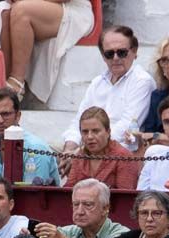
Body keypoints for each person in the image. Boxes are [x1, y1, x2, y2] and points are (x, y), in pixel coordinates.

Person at [60, 26, 154, 158]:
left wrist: (82, 151)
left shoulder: (142, 81)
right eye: (109, 54)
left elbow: (126, 126)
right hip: (90, 150)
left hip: (123, 155)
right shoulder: (97, 83)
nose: (115, 58)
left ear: (134, 51)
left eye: (121, 52)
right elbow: (78, 121)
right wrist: (69, 148)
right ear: (103, 56)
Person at [0, 0, 94, 104]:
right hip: (41, 5)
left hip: (73, 9)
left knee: (22, 11)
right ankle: (4, 83)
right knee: (3, 9)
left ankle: (17, 81)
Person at [0, 86, 58, 186]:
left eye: (5, 114)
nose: (0, 120)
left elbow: (35, 194)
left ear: (18, 116)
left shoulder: (36, 148)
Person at [34, 178, 129, 238]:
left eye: (88, 205)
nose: (80, 211)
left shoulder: (121, 233)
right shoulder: (66, 232)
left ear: (105, 208)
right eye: (76, 204)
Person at [62, 107, 139, 191]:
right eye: (85, 132)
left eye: (95, 131)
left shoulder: (124, 157)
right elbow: (68, 190)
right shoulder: (80, 155)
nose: (90, 136)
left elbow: (125, 199)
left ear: (108, 132)